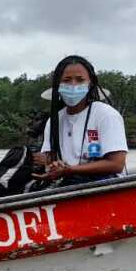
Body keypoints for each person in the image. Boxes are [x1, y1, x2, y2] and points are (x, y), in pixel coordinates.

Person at [33, 55, 128, 186]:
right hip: (69, 185)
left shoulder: (105, 114)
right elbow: (50, 160)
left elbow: (116, 164)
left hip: (106, 186)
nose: (73, 85)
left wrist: (69, 170)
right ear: (58, 85)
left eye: (80, 80)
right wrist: (47, 163)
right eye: (66, 80)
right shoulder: (54, 120)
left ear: (90, 84)